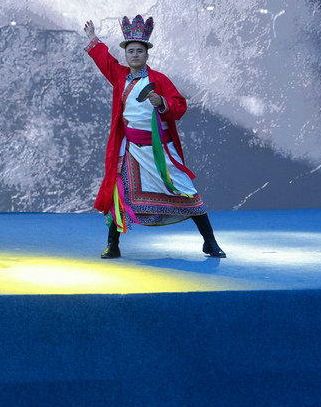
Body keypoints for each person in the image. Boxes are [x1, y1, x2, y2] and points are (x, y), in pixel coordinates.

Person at [83, 15, 226, 259]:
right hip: (130, 150)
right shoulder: (120, 76)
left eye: (139, 51)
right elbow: (105, 60)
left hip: (160, 149)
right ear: (125, 55)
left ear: (147, 54)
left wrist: (162, 102)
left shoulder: (159, 79)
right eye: (130, 51)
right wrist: (92, 38)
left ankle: (209, 242)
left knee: (185, 190)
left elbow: (179, 106)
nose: (135, 55)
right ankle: (113, 245)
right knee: (119, 194)